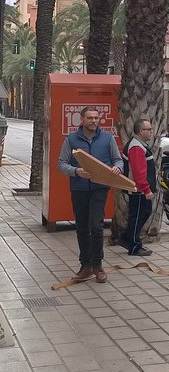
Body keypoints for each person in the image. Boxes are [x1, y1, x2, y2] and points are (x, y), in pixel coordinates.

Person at [57, 106, 123, 283]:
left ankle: (97, 265)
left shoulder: (107, 138)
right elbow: (61, 164)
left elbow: (118, 159)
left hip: (100, 188)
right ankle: (85, 266)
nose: (94, 121)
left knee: (96, 226)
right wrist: (76, 171)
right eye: (90, 118)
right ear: (82, 119)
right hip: (79, 188)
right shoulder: (71, 139)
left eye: (96, 117)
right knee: (82, 227)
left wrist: (118, 168)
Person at [123, 119, 156, 257]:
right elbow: (139, 172)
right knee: (137, 216)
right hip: (138, 190)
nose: (151, 132)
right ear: (141, 131)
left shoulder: (139, 144)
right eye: (149, 129)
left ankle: (126, 238)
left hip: (139, 189)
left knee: (144, 212)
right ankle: (134, 246)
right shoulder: (136, 147)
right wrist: (146, 189)